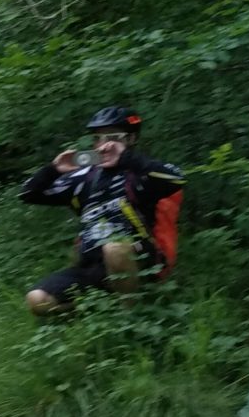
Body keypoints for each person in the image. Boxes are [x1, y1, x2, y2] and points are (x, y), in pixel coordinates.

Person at [21, 106, 185, 314]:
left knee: (114, 248)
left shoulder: (142, 172)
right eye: (98, 138)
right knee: (37, 300)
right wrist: (53, 170)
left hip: (139, 259)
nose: (104, 145)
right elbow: (28, 194)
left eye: (113, 138)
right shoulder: (84, 177)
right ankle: (100, 309)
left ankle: (130, 315)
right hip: (91, 266)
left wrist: (126, 158)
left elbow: (177, 179)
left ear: (131, 139)